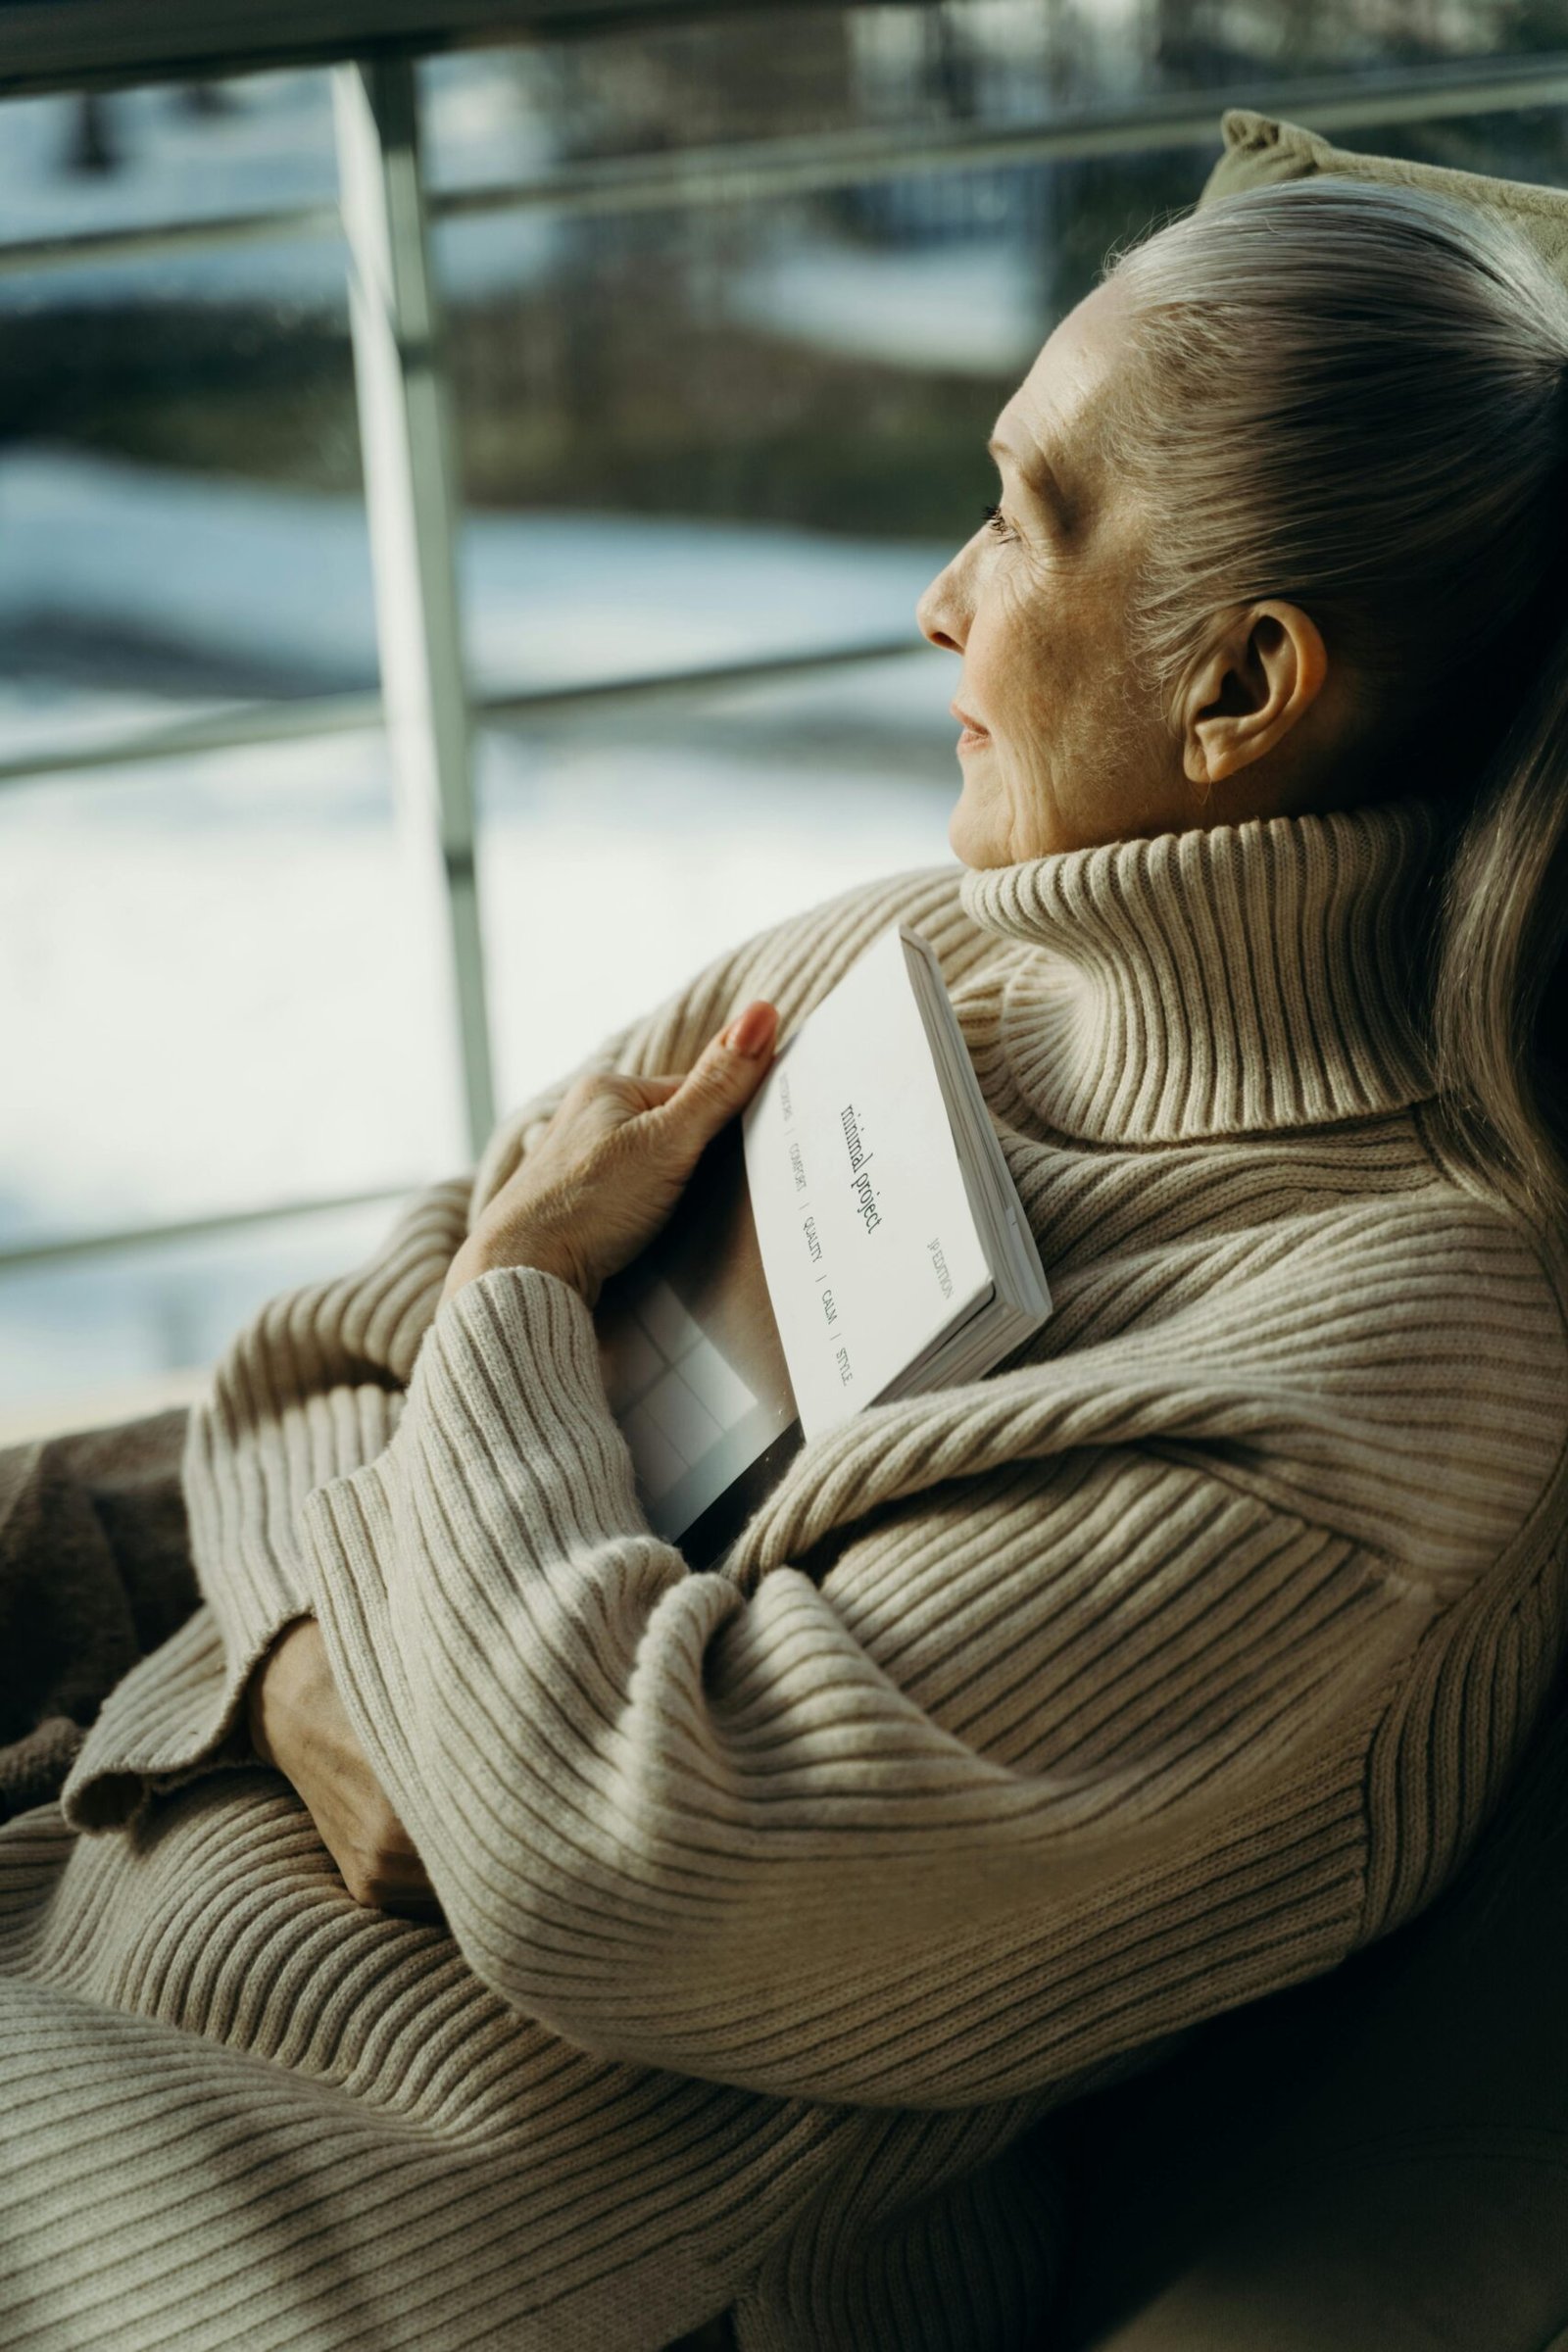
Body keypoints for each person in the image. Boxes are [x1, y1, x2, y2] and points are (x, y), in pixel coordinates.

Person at [2, 173, 1566, 2352]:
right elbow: (321, 1350)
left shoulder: (1382, 1367)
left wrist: (527, 1304)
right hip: (105, 1919)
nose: (936, 597)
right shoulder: (909, 953)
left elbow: (591, 1854)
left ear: (1237, 684)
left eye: (1022, 515)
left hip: (342, 2236)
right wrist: (308, 1673)